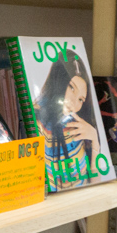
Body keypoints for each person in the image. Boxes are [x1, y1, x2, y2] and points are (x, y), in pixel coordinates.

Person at [33, 51, 101, 190]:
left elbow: (95, 183)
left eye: (81, 99)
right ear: (58, 80)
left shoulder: (80, 125)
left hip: (82, 198)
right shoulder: (37, 119)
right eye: (71, 87)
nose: (74, 103)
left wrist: (95, 140)